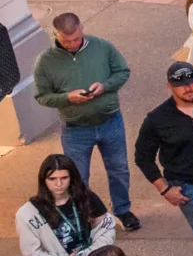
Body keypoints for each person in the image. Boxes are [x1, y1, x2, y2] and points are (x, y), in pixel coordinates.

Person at [33, 14, 139, 239]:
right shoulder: (45, 61)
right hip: (75, 129)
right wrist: (67, 98)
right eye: (66, 41)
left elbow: (123, 72)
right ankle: (85, 216)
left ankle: (123, 209)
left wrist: (105, 86)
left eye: (77, 38)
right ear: (56, 35)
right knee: (78, 177)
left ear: (82, 28)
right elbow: (42, 96)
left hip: (110, 121)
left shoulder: (102, 46)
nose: (73, 44)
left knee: (119, 169)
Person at [15, 153, 116, 256]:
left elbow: (107, 228)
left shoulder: (86, 198)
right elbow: (32, 253)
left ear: (72, 177)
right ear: (43, 180)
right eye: (52, 179)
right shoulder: (28, 213)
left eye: (64, 178)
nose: (59, 184)